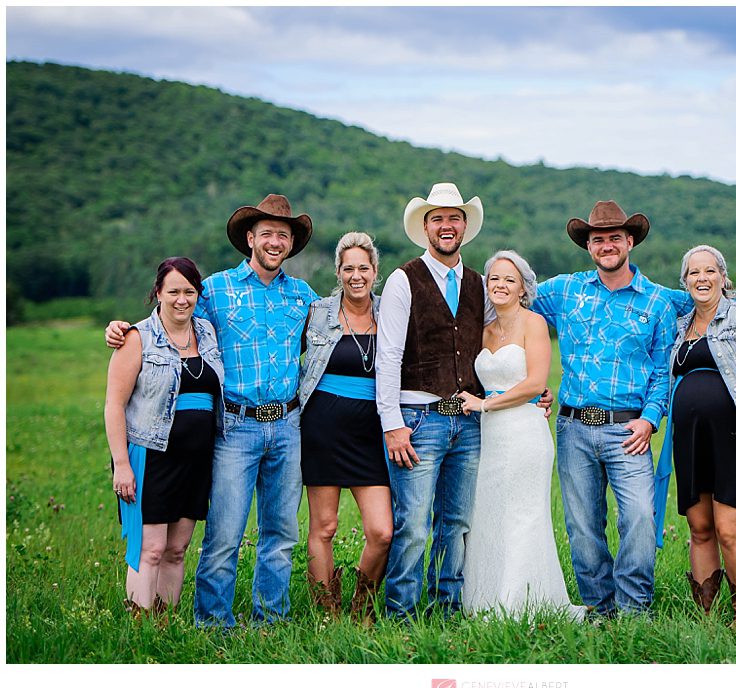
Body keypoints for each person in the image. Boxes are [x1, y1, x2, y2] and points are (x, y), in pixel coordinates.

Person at [107, 194, 318, 628]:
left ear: (291, 243)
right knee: (224, 533)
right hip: (236, 425)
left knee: (281, 534)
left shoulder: (303, 296)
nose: (275, 241)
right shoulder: (216, 290)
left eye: (283, 235)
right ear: (250, 238)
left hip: (287, 424)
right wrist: (122, 328)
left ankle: (271, 618)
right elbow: (171, 316)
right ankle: (213, 620)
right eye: (267, 233)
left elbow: (341, 325)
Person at [533, 200, 675, 617]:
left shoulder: (657, 302)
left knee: (641, 517)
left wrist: (650, 419)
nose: (607, 245)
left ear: (630, 241)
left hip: (629, 429)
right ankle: (599, 607)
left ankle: (634, 608)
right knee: (582, 526)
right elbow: (509, 308)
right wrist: (529, 384)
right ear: (588, 246)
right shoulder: (564, 291)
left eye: (615, 237)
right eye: (598, 239)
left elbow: (662, 372)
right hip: (574, 426)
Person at [375, 182, 487, 620]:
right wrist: (392, 424)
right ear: (425, 228)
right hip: (418, 418)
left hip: (468, 421)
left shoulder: (478, 284)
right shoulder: (404, 279)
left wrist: (531, 388)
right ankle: (400, 614)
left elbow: (495, 345)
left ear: (465, 227)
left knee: (456, 523)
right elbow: (388, 355)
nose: (446, 225)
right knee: (414, 525)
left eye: (454, 218)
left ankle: (447, 609)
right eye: (437, 218)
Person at [457, 250, 587, 621]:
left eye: (509, 280)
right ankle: (484, 598)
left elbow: (534, 384)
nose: (500, 285)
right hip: (489, 438)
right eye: (494, 278)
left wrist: (485, 404)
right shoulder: (482, 330)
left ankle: (518, 603)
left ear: (523, 289)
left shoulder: (534, 323)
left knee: (523, 516)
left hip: (525, 434)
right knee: (489, 514)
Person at [104, 257, 224, 617]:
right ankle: (140, 624)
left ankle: (164, 624)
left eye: (189, 291)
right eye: (173, 291)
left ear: (198, 294)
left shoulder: (207, 333)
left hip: (197, 460)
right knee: (151, 549)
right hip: (151, 455)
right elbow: (114, 405)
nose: (181, 299)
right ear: (158, 292)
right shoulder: (136, 338)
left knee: (176, 550)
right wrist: (121, 465)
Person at [664, 245, 736, 620]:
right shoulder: (681, 326)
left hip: (733, 437)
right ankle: (706, 617)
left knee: (728, 529)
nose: (702, 278)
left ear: (723, 277)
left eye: (710, 271)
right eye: (694, 272)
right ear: (685, 281)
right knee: (699, 527)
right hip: (690, 438)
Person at [298, 231, 392, 625]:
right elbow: (277, 351)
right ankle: (326, 611)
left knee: (382, 531)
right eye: (348, 268)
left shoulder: (391, 312)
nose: (356, 276)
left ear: (375, 271)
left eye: (363, 268)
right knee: (324, 526)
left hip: (371, 435)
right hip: (322, 430)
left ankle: (362, 605)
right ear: (338, 272)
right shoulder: (317, 312)